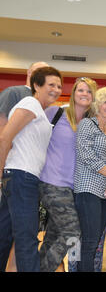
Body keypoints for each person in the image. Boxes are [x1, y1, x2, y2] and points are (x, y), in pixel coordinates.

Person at [0, 66, 63, 272]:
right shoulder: (30, 103)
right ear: (36, 85)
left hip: (21, 178)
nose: (56, 89)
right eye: (51, 84)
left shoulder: (40, 110)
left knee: (5, 235)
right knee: (27, 237)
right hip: (21, 177)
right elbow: (4, 137)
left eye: (59, 86)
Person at [38, 77, 97, 272]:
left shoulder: (92, 123)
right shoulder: (55, 113)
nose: (84, 94)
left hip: (75, 188)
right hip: (51, 183)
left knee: (54, 236)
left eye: (89, 91)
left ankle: (37, 266)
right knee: (73, 232)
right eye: (81, 90)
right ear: (73, 93)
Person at [73, 86, 106, 272]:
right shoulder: (87, 124)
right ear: (98, 104)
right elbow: (86, 156)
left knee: (95, 242)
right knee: (89, 241)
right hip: (87, 189)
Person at [0, 61, 49, 133]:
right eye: (40, 71)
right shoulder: (13, 92)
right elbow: (2, 122)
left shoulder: (44, 100)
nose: (43, 75)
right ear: (29, 72)